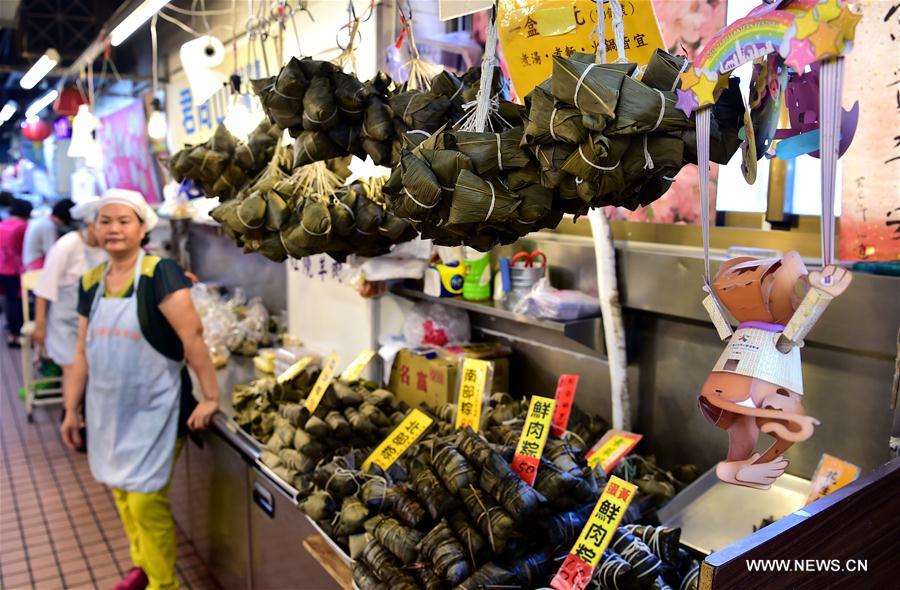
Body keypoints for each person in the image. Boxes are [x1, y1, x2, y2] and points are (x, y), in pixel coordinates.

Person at [60, 189, 219, 590]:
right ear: (94, 230)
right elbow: (81, 352)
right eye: (105, 221)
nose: (113, 229)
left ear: (142, 227)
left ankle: (163, 584)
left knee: (147, 500)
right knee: (123, 495)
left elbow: (193, 336)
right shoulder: (91, 282)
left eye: (123, 221)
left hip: (158, 409)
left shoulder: (158, 272)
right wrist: (70, 408)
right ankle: (141, 567)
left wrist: (211, 396)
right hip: (109, 411)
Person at [32, 198, 107, 408]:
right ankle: (71, 412)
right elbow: (44, 288)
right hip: (64, 324)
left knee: (94, 370)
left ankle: (83, 414)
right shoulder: (67, 245)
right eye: (104, 225)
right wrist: (39, 326)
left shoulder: (108, 248)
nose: (109, 232)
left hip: (94, 323)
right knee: (74, 369)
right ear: (91, 225)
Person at [0, 197, 33, 347]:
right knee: (17, 302)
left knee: (9, 300)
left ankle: (12, 332)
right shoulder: (22, 226)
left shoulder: (3, 224)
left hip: (2, 268)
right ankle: (17, 335)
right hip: (14, 269)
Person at [23, 198, 75, 270]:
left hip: (29, 261)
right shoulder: (48, 226)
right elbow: (50, 251)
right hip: (37, 264)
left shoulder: (43, 220)